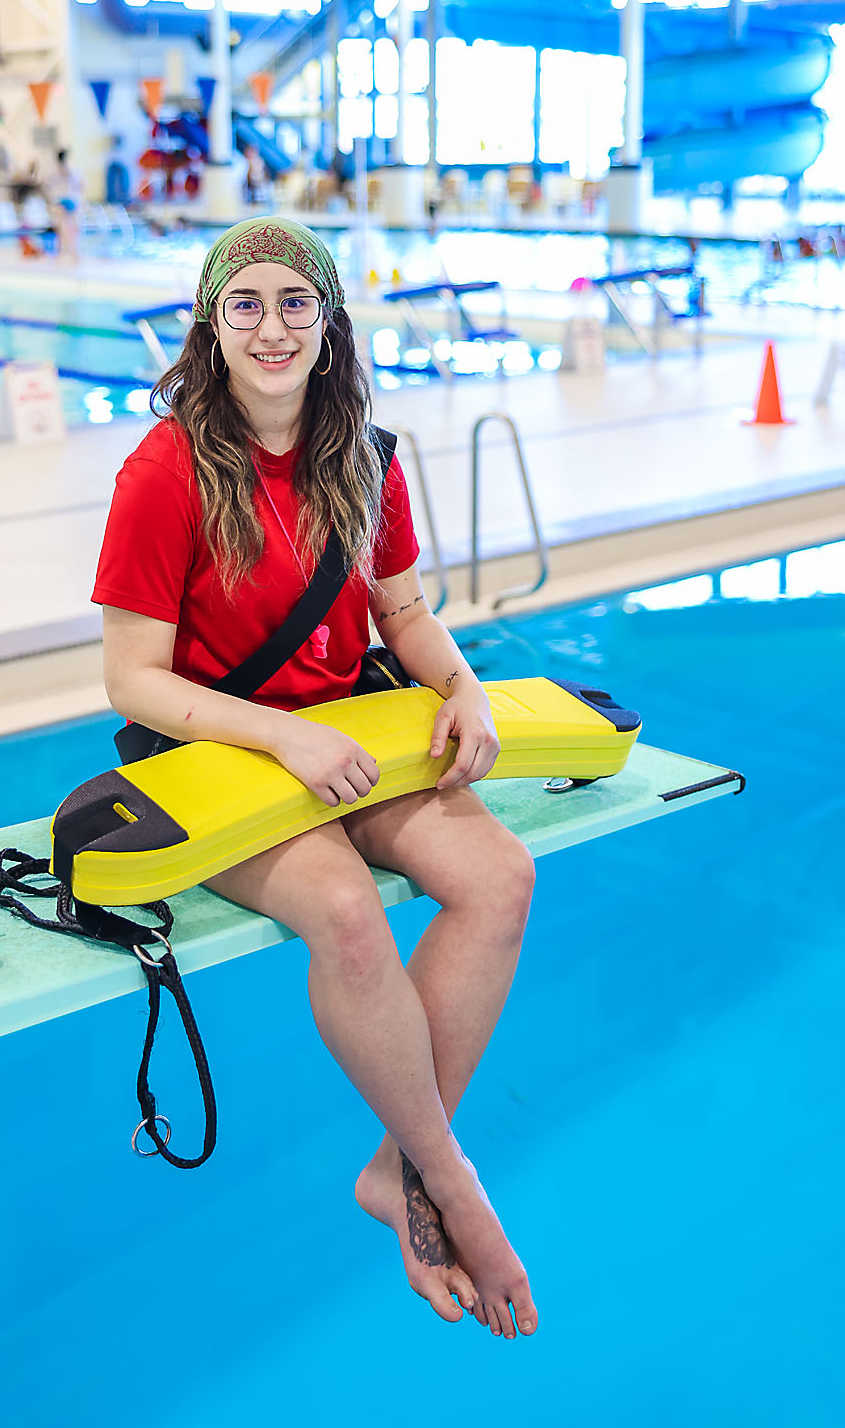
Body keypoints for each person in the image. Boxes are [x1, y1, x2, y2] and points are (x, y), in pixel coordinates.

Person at [92, 217, 538, 1338]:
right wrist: (282, 739)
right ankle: (452, 1179)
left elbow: (401, 612)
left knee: (498, 875)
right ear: (211, 323)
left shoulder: (364, 457)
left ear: (330, 324)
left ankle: (395, 1168)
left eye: (298, 302)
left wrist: (462, 686)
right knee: (343, 911)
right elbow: (132, 682)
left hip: (349, 734)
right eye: (246, 303)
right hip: (215, 752)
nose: (272, 325)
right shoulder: (162, 473)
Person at [46, 147, 84, 259]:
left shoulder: (53, 171)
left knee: (61, 225)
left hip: (60, 201)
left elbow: (47, 187)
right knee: (71, 225)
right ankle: (72, 248)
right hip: (71, 200)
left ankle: (63, 248)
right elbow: (81, 186)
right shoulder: (72, 170)